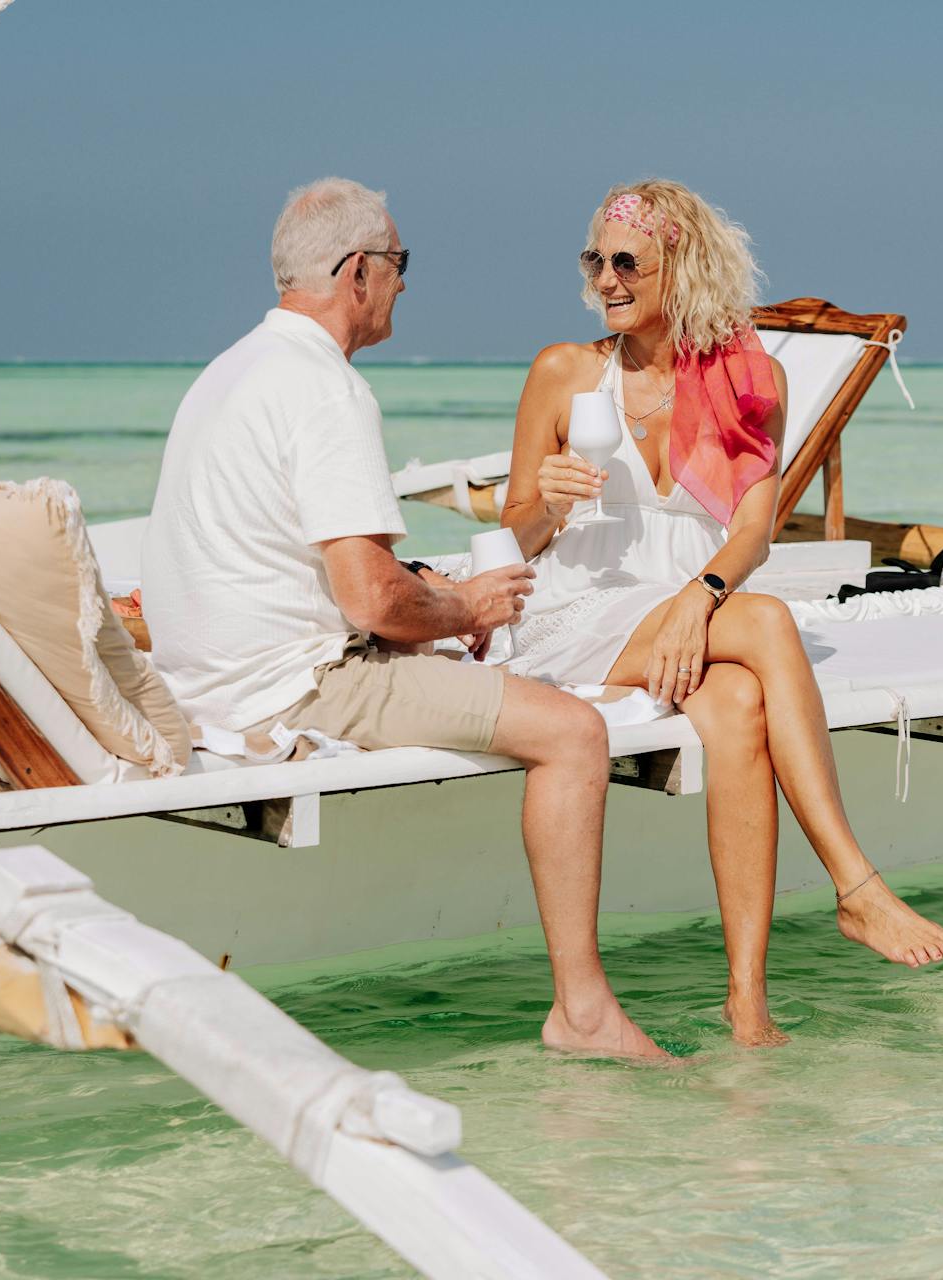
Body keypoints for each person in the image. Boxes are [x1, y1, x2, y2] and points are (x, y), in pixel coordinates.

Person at [144, 178, 665, 1060]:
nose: (404, 282)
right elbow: (372, 603)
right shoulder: (327, 388)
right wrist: (464, 604)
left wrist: (426, 596)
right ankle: (583, 1013)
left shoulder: (232, 369)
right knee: (575, 732)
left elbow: (323, 569)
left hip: (209, 672)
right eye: (397, 263)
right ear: (357, 273)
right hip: (294, 686)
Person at [501, 180, 943, 1047]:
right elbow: (515, 535)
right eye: (595, 260)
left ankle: (747, 1004)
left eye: (626, 261)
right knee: (770, 622)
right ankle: (855, 884)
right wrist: (549, 504)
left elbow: (754, 529)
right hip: (580, 608)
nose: (605, 279)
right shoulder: (565, 371)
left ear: (681, 268)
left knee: (743, 705)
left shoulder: (751, 382)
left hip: (690, 610)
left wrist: (697, 597)